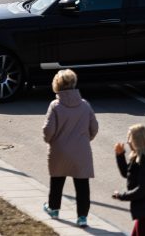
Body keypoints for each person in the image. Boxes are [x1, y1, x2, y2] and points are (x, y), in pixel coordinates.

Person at [42, 69, 99, 228]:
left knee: (57, 180)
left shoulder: (55, 105)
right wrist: (87, 139)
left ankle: (54, 208)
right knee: (82, 185)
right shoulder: (84, 105)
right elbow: (94, 127)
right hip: (81, 151)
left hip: (59, 150)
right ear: (74, 84)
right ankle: (82, 217)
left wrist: (49, 141)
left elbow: (48, 130)